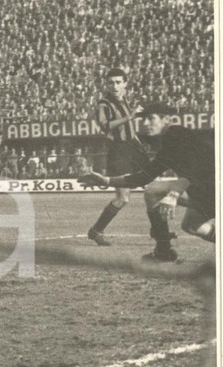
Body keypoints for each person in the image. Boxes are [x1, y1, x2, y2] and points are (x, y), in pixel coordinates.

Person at [78, 102, 214, 261]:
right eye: (143, 120)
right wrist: (106, 180)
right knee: (191, 226)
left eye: (151, 118)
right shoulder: (168, 143)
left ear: (166, 120)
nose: (146, 123)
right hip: (206, 193)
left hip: (213, 189)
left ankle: (163, 251)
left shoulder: (177, 133)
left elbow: (194, 168)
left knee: (152, 192)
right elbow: (143, 177)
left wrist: (173, 194)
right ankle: (163, 251)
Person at [86, 68, 158, 248]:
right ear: (107, 84)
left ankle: (159, 231)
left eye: (118, 82)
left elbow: (130, 129)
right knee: (122, 198)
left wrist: (138, 144)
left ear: (125, 83)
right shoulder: (104, 103)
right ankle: (96, 231)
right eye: (111, 82)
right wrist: (131, 116)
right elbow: (105, 126)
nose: (115, 86)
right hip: (118, 151)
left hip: (133, 148)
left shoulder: (124, 99)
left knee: (153, 188)